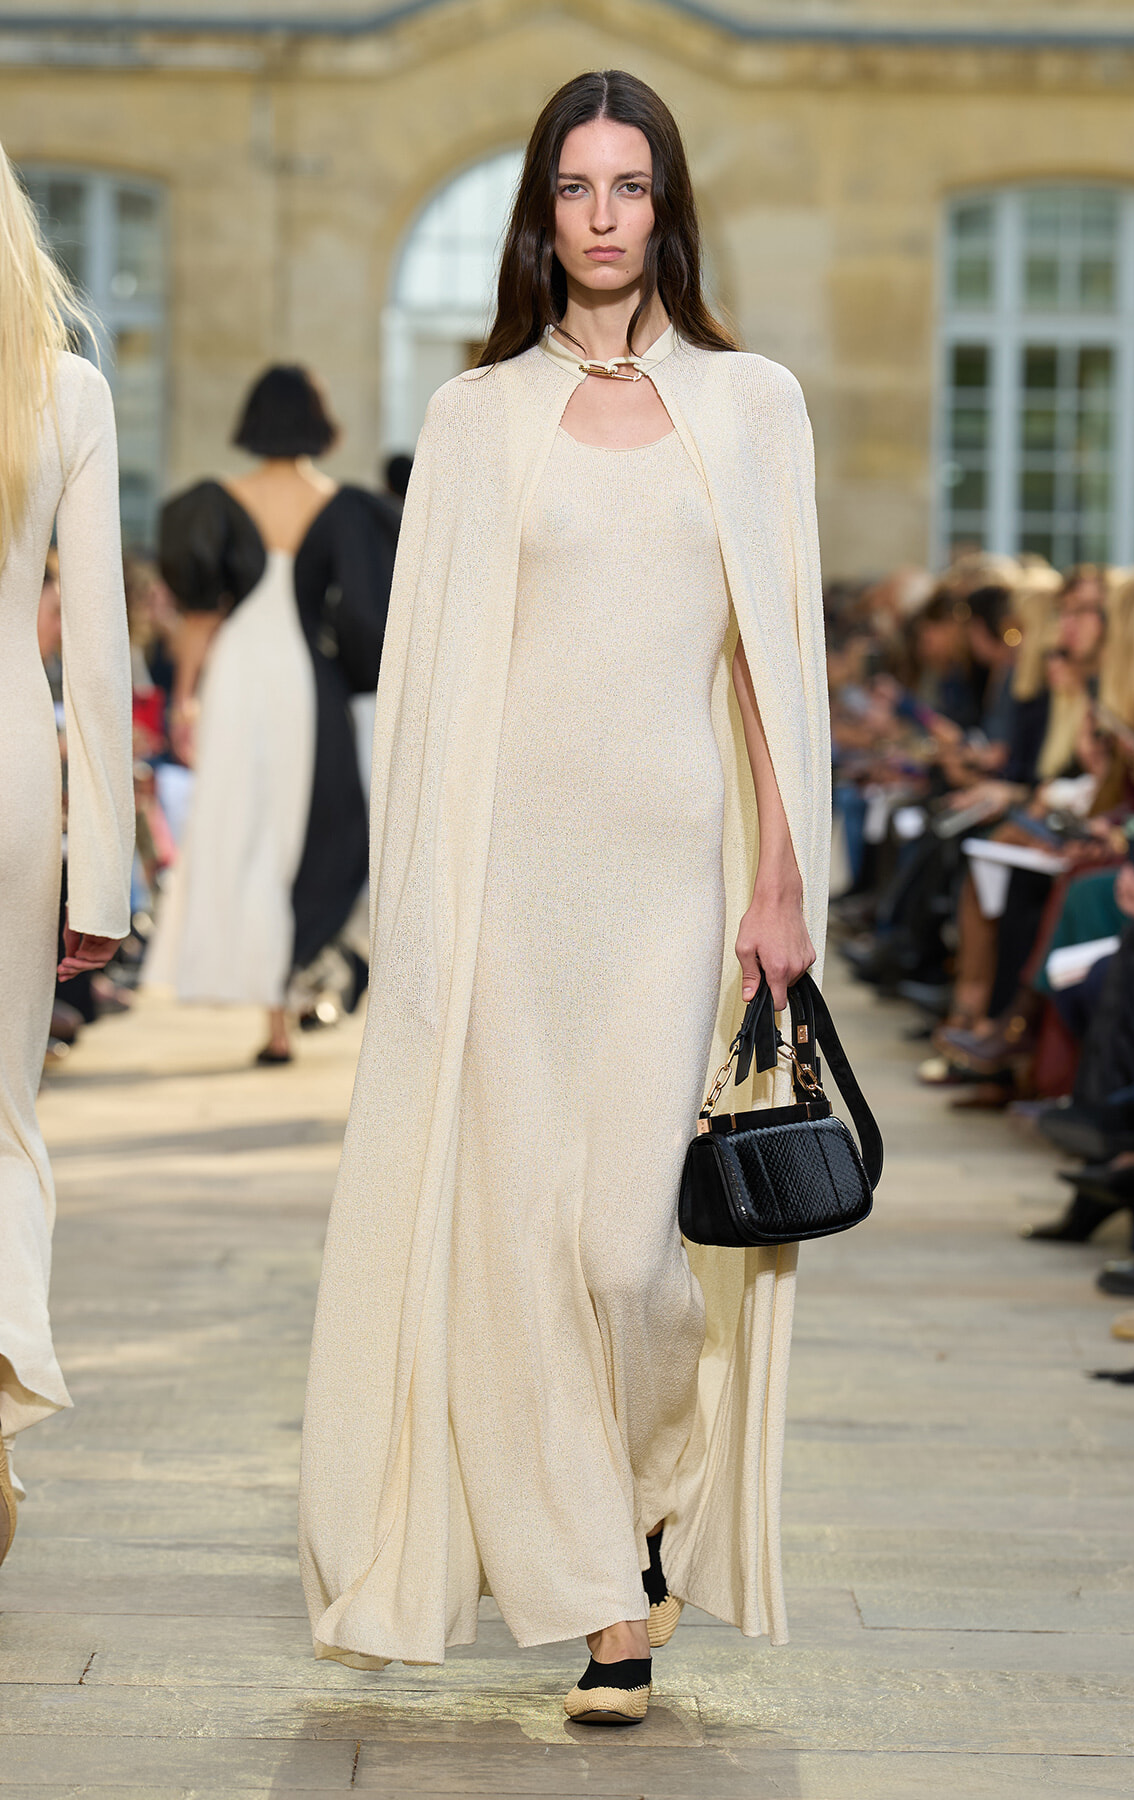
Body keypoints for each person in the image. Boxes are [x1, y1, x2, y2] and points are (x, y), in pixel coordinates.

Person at [299, 69, 830, 1724]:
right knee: (519, 1247)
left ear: (668, 207)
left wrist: (780, 875)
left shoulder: (753, 405)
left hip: (676, 864)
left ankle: (656, 1496)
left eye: (633, 185)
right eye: (577, 188)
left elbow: (770, 664)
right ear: (546, 214)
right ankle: (607, 1596)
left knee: (626, 1252)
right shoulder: (473, 422)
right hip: (508, 877)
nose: (604, 215)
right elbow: (435, 670)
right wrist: (419, 916)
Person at [0, 142, 133, 1565]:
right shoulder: (63, 390)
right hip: (8, 763)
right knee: (3, 1118)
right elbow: (94, 646)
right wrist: (105, 869)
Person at [145, 366, 399, 1063]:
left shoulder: (215, 502)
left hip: (238, 677)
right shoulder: (346, 506)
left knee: (245, 828)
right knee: (306, 829)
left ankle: (273, 1018)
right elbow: (364, 616)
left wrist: (185, 697)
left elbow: (200, 616)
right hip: (306, 680)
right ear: (319, 421)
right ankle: (295, 981)